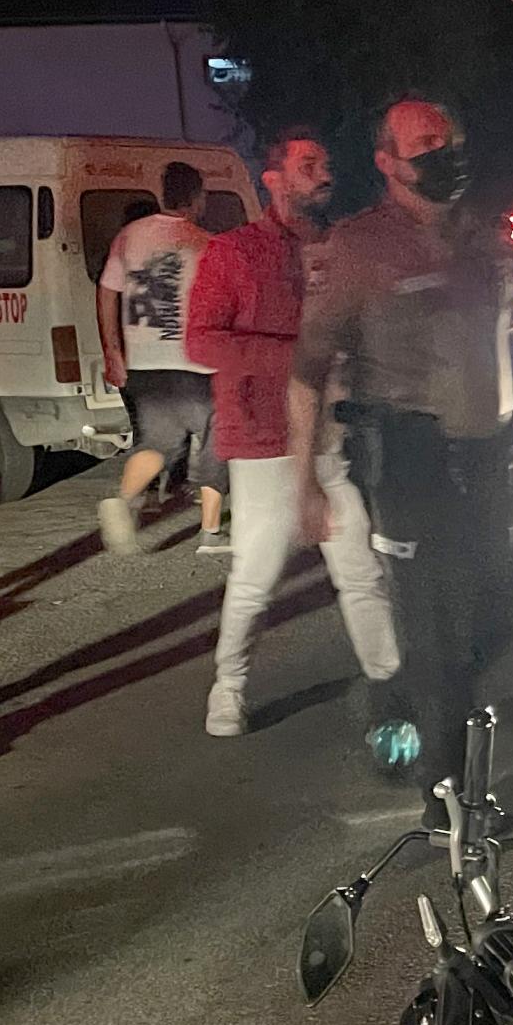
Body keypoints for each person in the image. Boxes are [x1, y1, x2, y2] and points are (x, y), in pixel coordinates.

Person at [288, 98, 513, 798]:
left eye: (450, 138)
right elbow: (307, 367)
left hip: (489, 454)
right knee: (434, 623)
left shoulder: (482, 237)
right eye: (426, 144)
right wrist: (305, 481)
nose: (445, 152)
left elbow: (509, 344)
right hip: (410, 458)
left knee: (490, 612)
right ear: (387, 163)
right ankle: (446, 799)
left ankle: (393, 704)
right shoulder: (360, 246)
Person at [186, 127, 401, 738]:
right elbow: (202, 340)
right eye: (309, 165)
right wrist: (298, 360)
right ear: (272, 179)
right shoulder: (235, 252)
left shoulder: (345, 248)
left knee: (360, 570)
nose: (324, 174)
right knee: (256, 576)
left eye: (327, 163)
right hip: (264, 442)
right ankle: (228, 687)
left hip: (334, 436)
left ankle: (391, 685)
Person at [96, 161, 224, 556]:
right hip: (194, 362)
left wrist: (113, 350)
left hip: (144, 362)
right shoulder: (205, 243)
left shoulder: (129, 236)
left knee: (157, 443)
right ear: (198, 198)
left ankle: (122, 500)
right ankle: (211, 534)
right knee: (216, 442)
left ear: (162, 193)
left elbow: (106, 292)